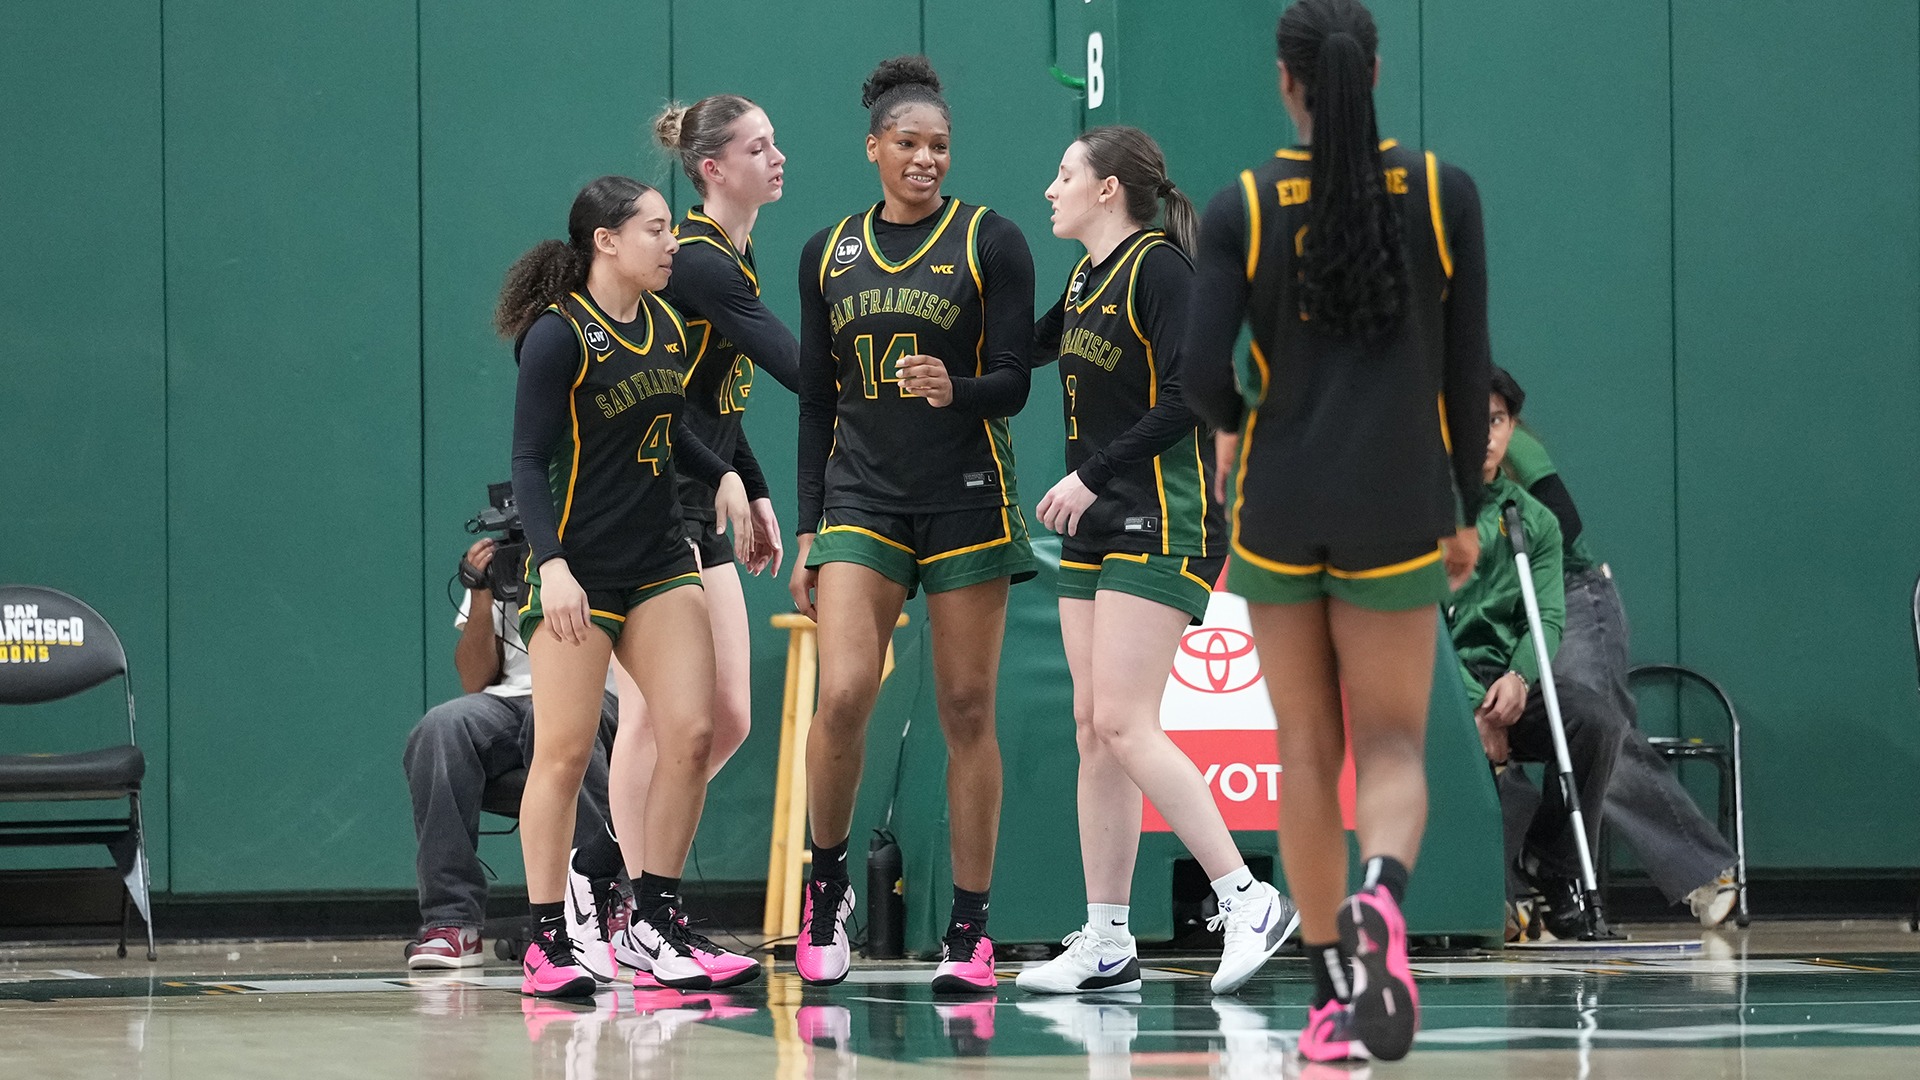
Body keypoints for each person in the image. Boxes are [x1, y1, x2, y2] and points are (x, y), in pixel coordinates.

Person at [1184, 0, 1491, 1062]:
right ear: (1375, 70)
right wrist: (1468, 511)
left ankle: (1326, 997)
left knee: (1305, 756)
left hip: (1278, 512)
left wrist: (1234, 432)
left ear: (1288, 81)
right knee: (1395, 747)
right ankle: (1382, 899)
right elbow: (1466, 370)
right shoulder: (1444, 195)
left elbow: (1196, 375)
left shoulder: (1245, 205)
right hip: (1399, 508)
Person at [1017, 126, 1299, 998]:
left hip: (1162, 519)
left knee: (1126, 723)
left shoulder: (1162, 271)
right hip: (1098, 527)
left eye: (1064, 174)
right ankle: (1107, 938)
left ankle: (1248, 899)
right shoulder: (1084, 276)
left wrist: (1092, 472)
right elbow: (1019, 353)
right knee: (1093, 729)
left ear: (1109, 190)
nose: (1050, 188)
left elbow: (1192, 394)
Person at [789, 54, 1037, 993]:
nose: (926, 158)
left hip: (969, 496)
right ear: (873, 149)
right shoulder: (827, 251)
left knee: (967, 709)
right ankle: (826, 885)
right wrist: (808, 527)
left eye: (939, 145)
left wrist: (955, 387)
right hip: (862, 498)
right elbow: (816, 399)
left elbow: (1014, 377)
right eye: (908, 143)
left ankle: (970, 928)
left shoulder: (992, 240)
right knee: (846, 690)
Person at [498, 174, 756, 997]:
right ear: (606, 242)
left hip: (659, 560)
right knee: (566, 755)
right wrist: (553, 566)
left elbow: (670, 424)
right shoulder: (557, 336)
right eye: (654, 228)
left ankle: (655, 922)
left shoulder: (666, 326)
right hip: (581, 571)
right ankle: (547, 939)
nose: (671, 240)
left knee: (695, 731)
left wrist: (723, 476)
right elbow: (528, 462)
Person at [598, 94, 800, 990]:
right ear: (714, 168)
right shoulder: (700, 261)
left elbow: (717, 397)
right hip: (643, 499)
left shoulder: (735, 255)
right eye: (760, 146)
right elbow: (796, 369)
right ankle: (631, 908)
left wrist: (748, 483)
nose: (778, 155)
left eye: (776, 142)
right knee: (653, 716)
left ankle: (634, 890)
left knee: (728, 717)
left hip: (697, 490)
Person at [1495, 369, 1737, 928]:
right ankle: (1510, 890)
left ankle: (1701, 867)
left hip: (1571, 595)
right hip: (1499, 602)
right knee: (1492, 730)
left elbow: (1564, 519)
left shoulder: (1503, 437)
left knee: (1597, 733)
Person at [1448, 371, 1630, 938]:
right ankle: (1489, 890)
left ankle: (1557, 872)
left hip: (1506, 677)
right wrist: (1474, 706)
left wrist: (1520, 679)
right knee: (1503, 779)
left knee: (1595, 721)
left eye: (1497, 421)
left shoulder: (1535, 520)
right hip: (1438, 686)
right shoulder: (1418, 514)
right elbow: (1415, 627)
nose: (1485, 434)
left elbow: (1547, 617)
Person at [401, 536, 623, 971]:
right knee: (441, 727)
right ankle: (452, 922)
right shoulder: (513, 559)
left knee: (553, 717)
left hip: (603, 701)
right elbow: (474, 678)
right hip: (513, 701)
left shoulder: (608, 540)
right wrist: (480, 592)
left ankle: (607, 903)